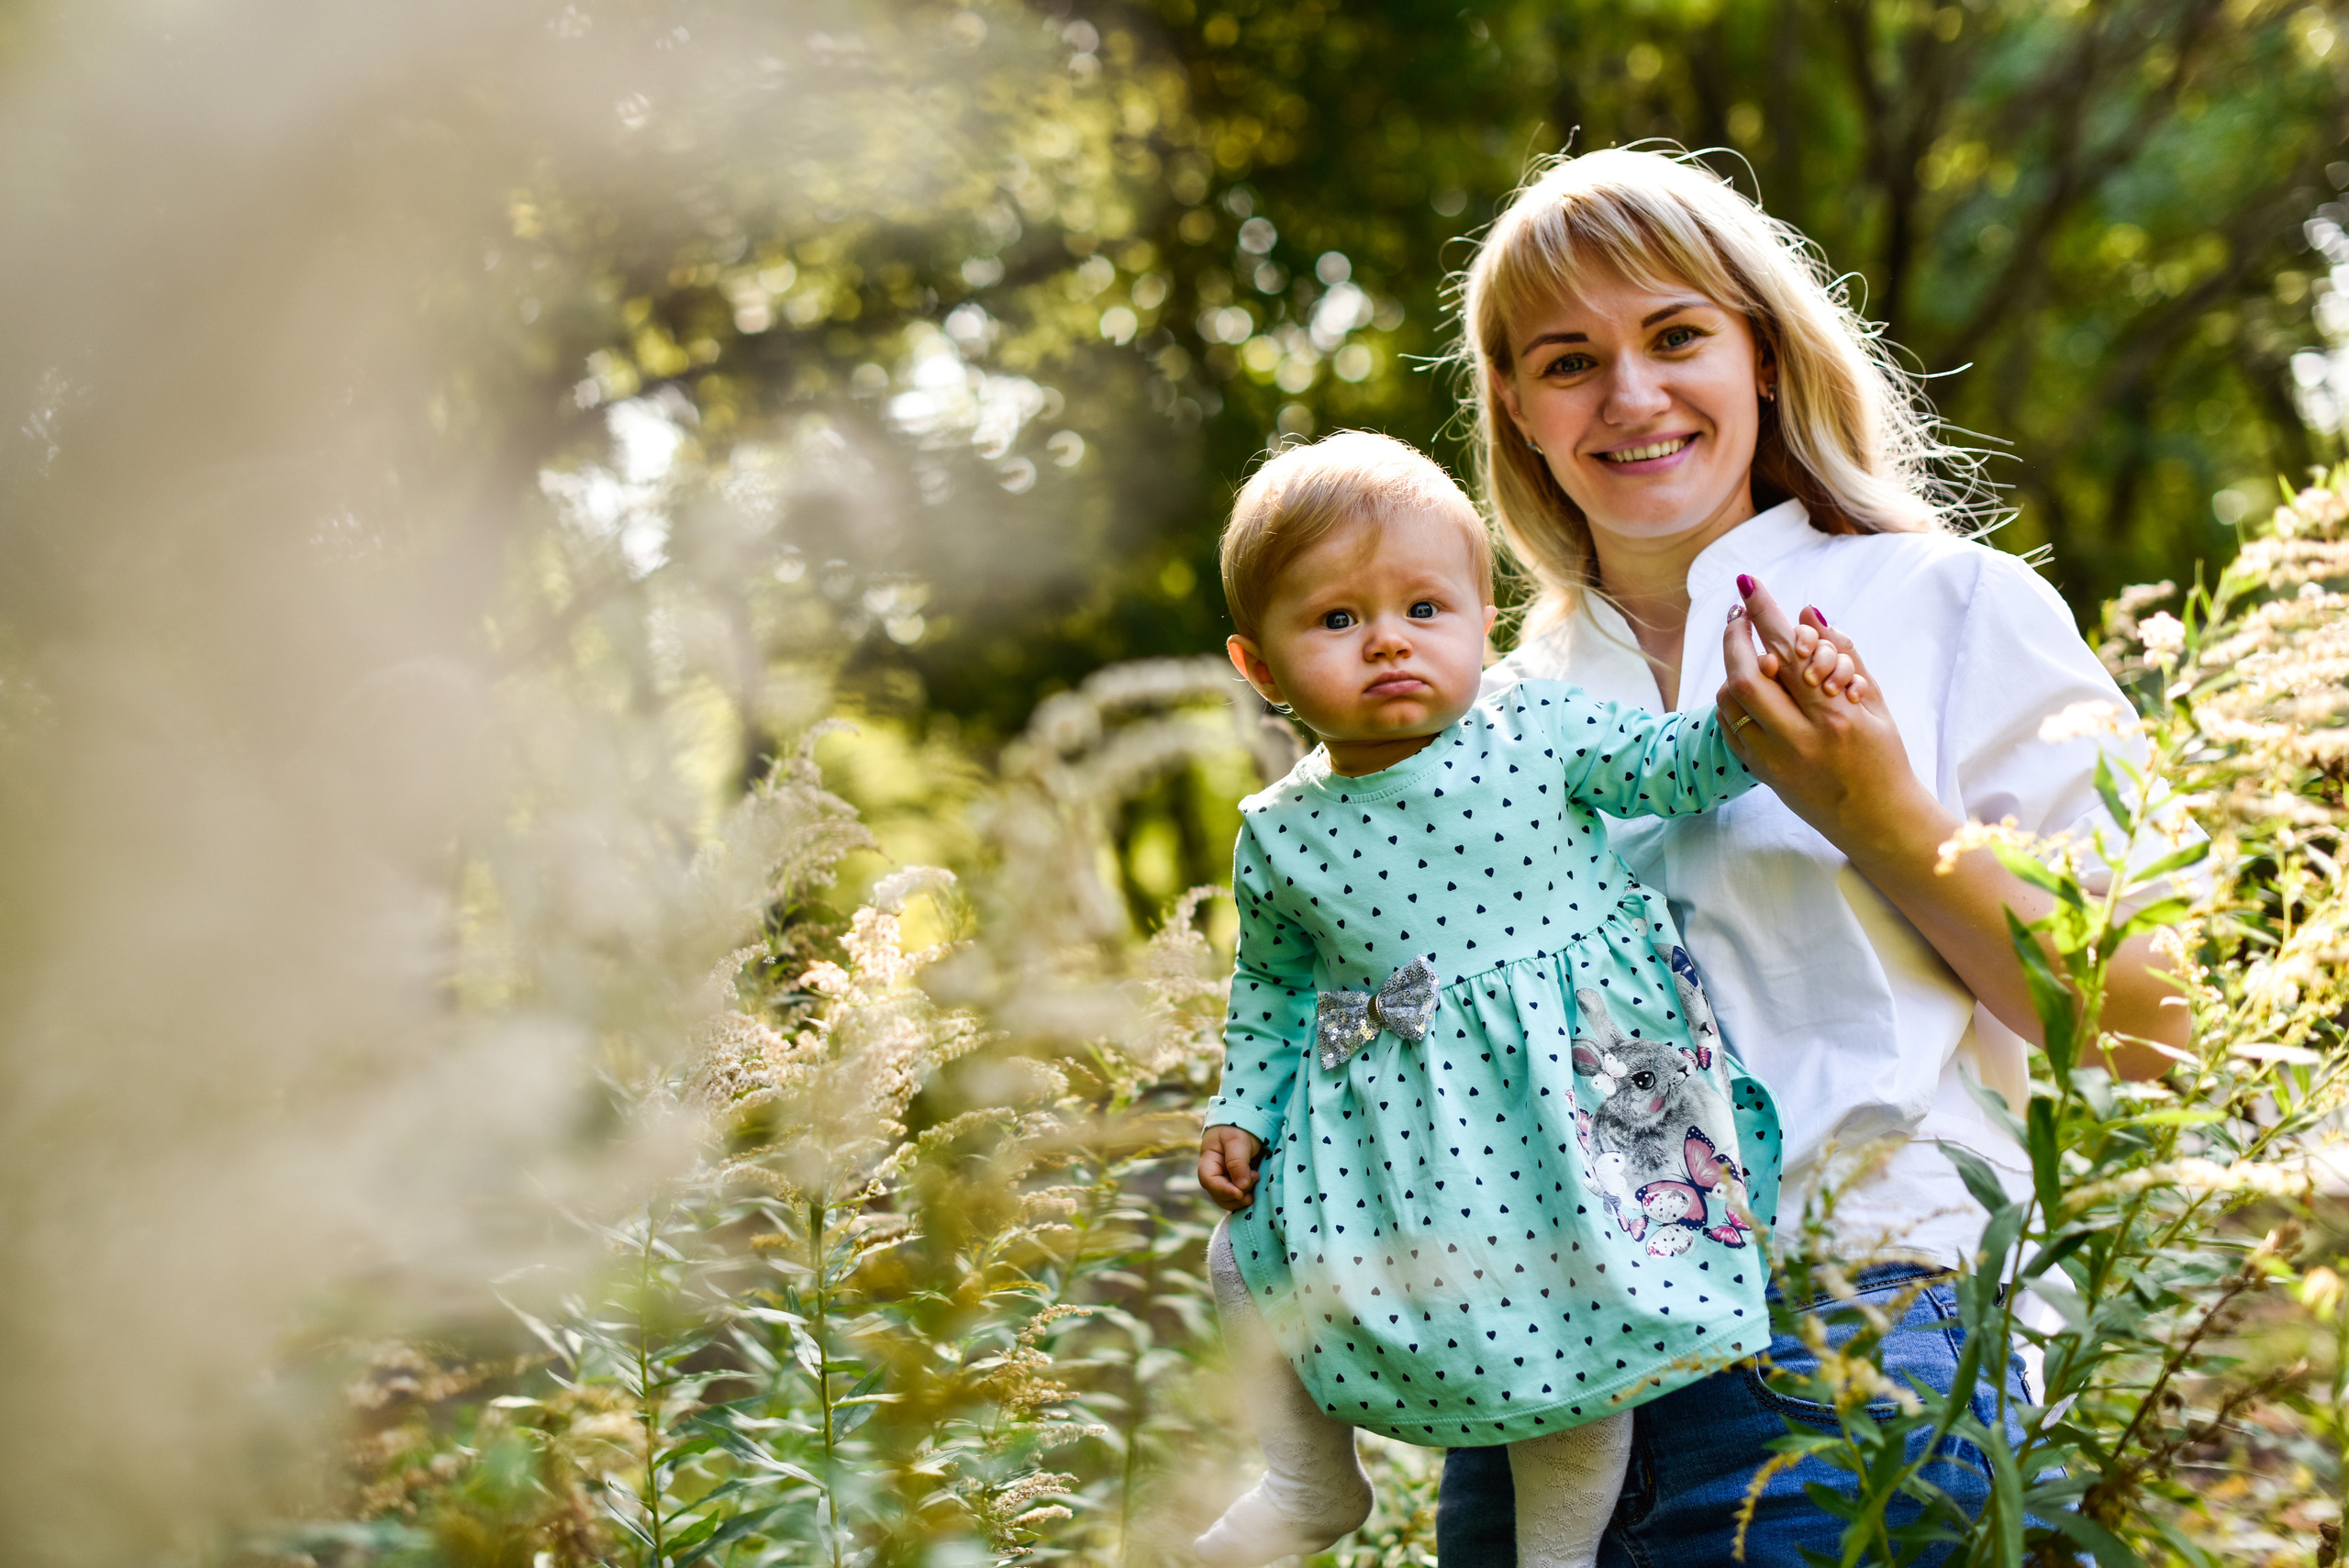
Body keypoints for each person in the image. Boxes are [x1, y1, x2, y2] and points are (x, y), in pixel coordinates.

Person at [1431, 147, 2191, 1564]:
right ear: (1517, 414)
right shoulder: (1484, 711)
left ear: (1764, 359)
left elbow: (2150, 1022)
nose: (1632, 395)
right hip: (1533, 1405)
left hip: (1855, 1337)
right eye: (1567, 359)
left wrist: (1879, 809)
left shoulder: (1948, 606)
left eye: (1675, 336)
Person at [1189, 430, 1809, 1568]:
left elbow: (1673, 767)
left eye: (1425, 608)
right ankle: (1309, 1478)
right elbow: (1273, 985)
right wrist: (1242, 1107)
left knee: (1577, 1316)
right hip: (1404, 1133)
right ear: (1261, 667)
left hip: (1568, 1098)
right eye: (1335, 620)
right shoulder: (1280, 832)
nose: (1386, 640)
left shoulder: (1531, 726)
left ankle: (1556, 1558)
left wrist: (1756, 709)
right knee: (1243, 1253)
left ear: (1482, 620)